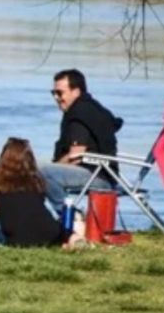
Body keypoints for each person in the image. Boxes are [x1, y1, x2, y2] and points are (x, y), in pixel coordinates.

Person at [40, 69, 123, 211]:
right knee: (41, 173)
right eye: (53, 93)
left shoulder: (79, 115)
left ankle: (69, 216)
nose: (56, 97)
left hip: (97, 177)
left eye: (60, 93)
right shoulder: (92, 108)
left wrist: (55, 166)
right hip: (106, 174)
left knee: (38, 171)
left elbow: (75, 156)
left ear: (76, 92)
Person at [0, 137, 66, 248]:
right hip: (49, 234)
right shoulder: (35, 179)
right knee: (71, 229)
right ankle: (76, 241)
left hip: (17, 239)